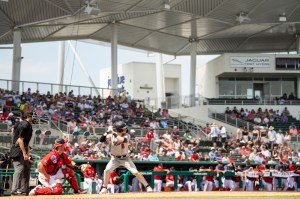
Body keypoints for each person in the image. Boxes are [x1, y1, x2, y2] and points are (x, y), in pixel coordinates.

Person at [99, 121, 153, 193]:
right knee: (106, 170)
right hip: (115, 158)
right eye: (123, 128)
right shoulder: (111, 135)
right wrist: (107, 132)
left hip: (125, 158)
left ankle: (147, 186)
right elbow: (101, 140)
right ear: (120, 129)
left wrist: (113, 133)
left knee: (135, 172)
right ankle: (104, 188)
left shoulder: (127, 135)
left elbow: (122, 140)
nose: (125, 129)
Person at [11, 112, 33, 196]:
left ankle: (24, 190)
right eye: (32, 115)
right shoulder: (24, 124)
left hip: (23, 149)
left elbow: (26, 142)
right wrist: (24, 153)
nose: (33, 117)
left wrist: (27, 153)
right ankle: (14, 190)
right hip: (17, 150)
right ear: (28, 116)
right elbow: (20, 140)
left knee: (26, 169)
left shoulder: (29, 125)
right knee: (19, 169)